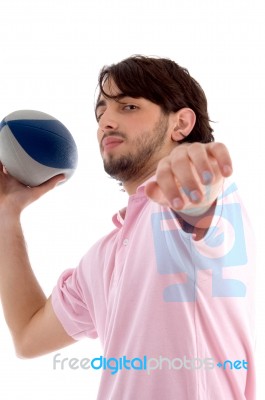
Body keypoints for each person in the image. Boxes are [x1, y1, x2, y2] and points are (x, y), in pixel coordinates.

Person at [0, 55, 255, 399]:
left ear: (180, 124)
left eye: (129, 107)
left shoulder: (202, 207)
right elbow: (28, 336)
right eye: (101, 111)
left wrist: (193, 174)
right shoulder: (101, 259)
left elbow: (199, 201)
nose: (105, 121)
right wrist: (6, 215)